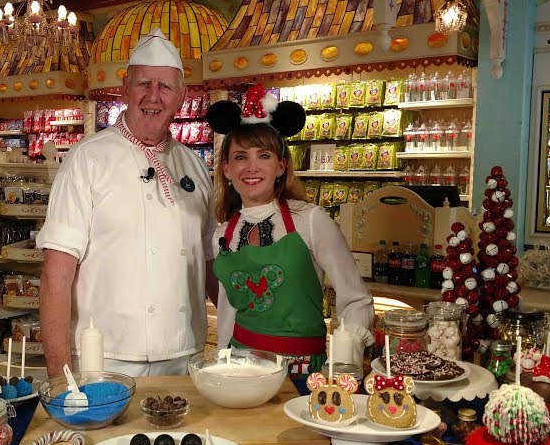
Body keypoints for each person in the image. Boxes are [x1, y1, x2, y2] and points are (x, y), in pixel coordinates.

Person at [38, 28, 215, 378]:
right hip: (104, 361)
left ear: (181, 96)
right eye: (143, 84)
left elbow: (210, 265)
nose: (154, 96)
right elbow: (55, 275)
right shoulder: (87, 159)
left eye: (165, 86)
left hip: (184, 358)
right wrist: (62, 379)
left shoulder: (193, 164)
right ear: (124, 89)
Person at [207, 85, 375, 370]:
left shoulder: (311, 220)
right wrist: (221, 368)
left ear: (281, 166)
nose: (252, 167)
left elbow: (355, 297)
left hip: (302, 370)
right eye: (240, 157)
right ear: (226, 169)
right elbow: (227, 313)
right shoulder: (223, 233)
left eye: (264, 156)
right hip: (241, 369)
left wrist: (345, 361)